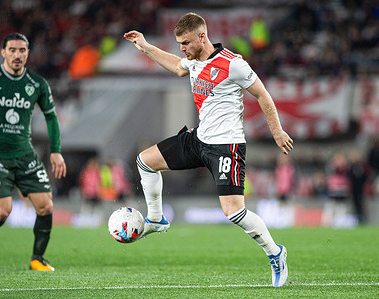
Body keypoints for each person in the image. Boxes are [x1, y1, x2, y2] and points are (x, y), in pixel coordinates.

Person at [124, 13, 293, 287]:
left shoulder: (233, 64)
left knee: (234, 213)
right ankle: (156, 218)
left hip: (227, 147)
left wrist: (277, 131)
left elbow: (262, 94)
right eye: (179, 43)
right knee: (145, 161)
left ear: (202, 36)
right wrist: (146, 47)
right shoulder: (191, 63)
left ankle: (276, 253)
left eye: (185, 42)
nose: (182, 48)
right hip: (199, 140)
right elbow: (177, 66)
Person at [0, 33, 67, 271]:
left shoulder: (37, 84)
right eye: (13, 50)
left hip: (25, 154)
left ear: (28, 53)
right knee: (2, 211)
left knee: (46, 206)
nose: (18, 55)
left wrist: (56, 151)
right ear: (3, 52)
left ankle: (37, 258)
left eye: (22, 51)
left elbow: (51, 117)